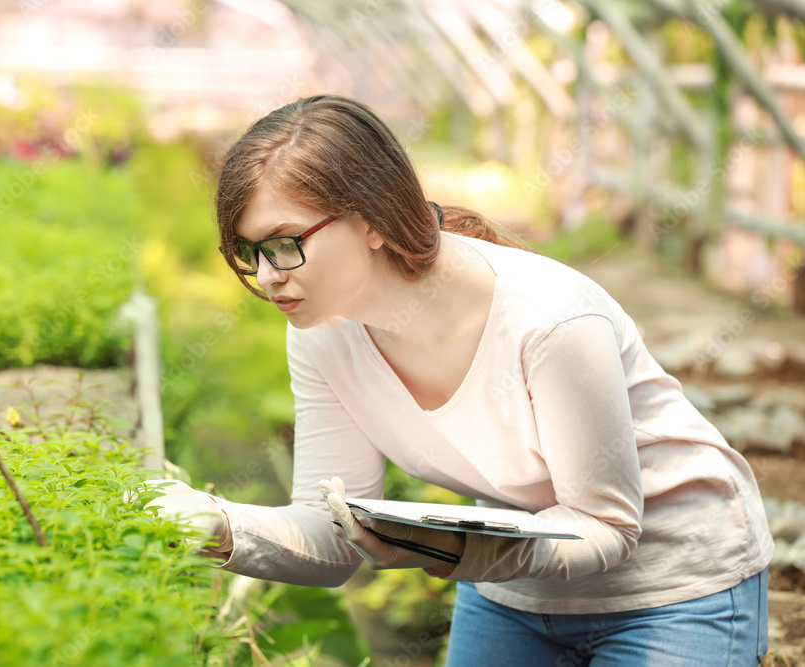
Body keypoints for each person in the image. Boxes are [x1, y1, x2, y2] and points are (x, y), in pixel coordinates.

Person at [138, 95, 774, 666]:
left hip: (673, 586)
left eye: (283, 243)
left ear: (372, 220)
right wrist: (220, 525)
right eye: (249, 254)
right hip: (512, 593)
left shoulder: (548, 320)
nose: (270, 276)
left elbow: (607, 526)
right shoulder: (321, 331)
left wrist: (446, 552)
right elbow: (330, 542)